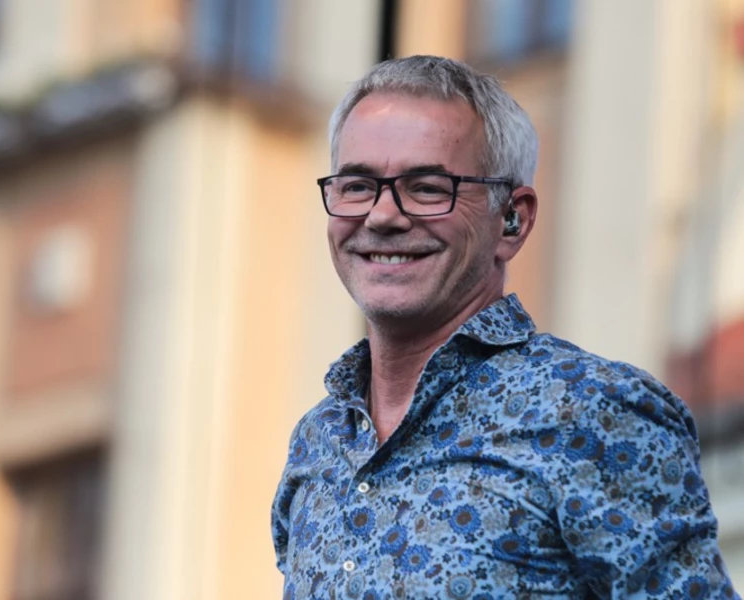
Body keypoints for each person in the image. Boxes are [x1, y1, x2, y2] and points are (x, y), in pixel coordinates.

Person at [271, 55, 738, 599]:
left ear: (512, 219)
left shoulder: (594, 411)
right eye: (357, 185)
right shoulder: (319, 440)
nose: (382, 215)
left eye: (427, 187)